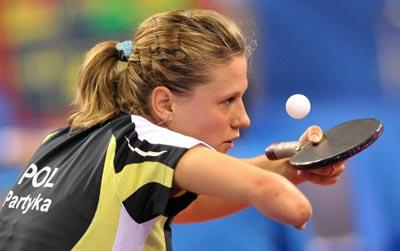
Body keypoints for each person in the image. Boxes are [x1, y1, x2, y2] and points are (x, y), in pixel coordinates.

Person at [0, 9, 345, 251]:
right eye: (227, 101)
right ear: (164, 104)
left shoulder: (66, 141)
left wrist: (295, 167)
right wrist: (278, 188)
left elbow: (192, 204)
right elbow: (288, 205)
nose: (243, 119)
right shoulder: (146, 142)